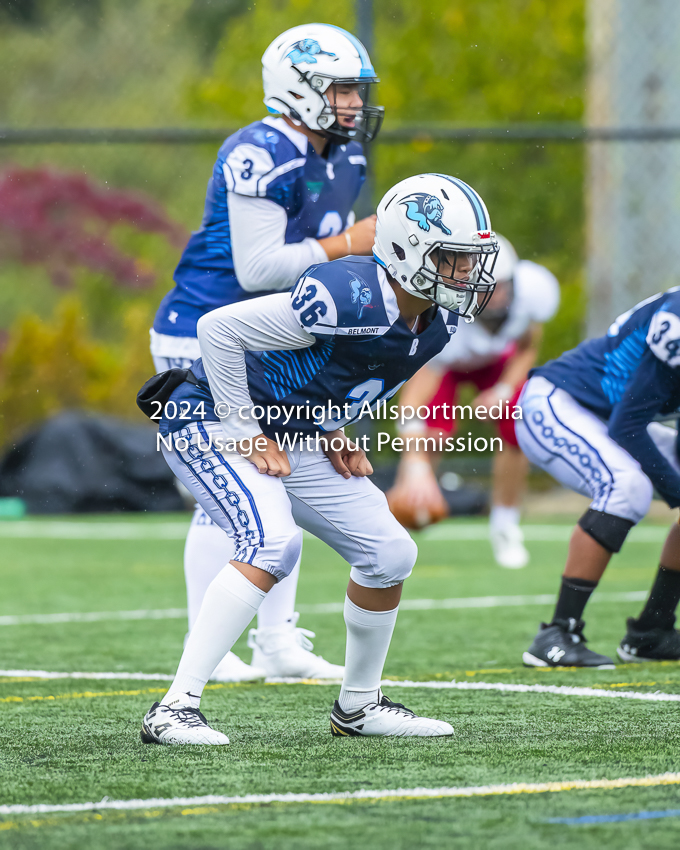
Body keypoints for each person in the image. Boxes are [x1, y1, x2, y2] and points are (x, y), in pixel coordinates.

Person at [139, 172, 499, 744]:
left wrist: (334, 428)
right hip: (209, 416)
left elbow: (345, 374)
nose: (468, 274)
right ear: (406, 250)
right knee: (272, 542)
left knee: (389, 551)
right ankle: (173, 709)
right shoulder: (346, 293)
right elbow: (219, 329)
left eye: (470, 259)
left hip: (294, 429)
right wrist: (244, 430)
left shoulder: (439, 316)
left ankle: (359, 706)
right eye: (452, 258)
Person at [149, 23, 384, 681]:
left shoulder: (346, 157)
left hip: (272, 339)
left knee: (282, 476)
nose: (353, 104)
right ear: (298, 88)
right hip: (204, 333)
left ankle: (276, 641)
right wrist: (351, 246)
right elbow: (258, 269)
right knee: (227, 492)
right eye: (340, 90)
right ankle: (215, 645)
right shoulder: (260, 150)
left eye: (356, 91)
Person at [516, 288, 680, 667]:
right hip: (557, 402)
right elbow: (629, 426)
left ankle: (651, 632)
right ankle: (557, 632)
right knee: (627, 488)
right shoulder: (676, 320)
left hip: (606, 415)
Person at [386, 236, 560, 568]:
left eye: (501, 286)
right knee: (430, 437)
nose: (495, 296)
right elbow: (413, 401)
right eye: (485, 288)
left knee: (519, 424)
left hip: (496, 364)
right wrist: (415, 465)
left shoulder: (532, 296)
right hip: (444, 366)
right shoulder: (441, 316)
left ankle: (505, 524)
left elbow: (527, 347)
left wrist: (504, 391)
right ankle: (401, 517)